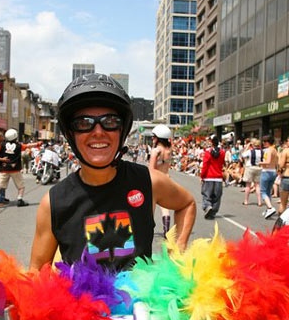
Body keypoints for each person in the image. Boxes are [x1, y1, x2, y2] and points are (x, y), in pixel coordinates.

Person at [29, 73, 196, 271]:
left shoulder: (148, 181)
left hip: (141, 302)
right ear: (70, 134)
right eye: (84, 123)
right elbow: (37, 272)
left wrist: (177, 253)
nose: (98, 132)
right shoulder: (54, 202)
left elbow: (186, 203)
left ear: (122, 130)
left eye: (110, 121)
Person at [0, 128, 35, 208]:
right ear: (15, 136)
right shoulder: (19, 145)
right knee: (21, 186)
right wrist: (38, 144)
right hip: (15, 169)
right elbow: (28, 146)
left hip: (4, 169)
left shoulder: (1, 145)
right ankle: (20, 200)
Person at [149, 124, 173, 237]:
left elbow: (151, 169)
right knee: (165, 207)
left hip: (157, 179)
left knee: (151, 205)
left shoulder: (156, 151)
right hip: (167, 179)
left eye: (153, 137)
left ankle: (147, 228)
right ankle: (167, 230)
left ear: (158, 137)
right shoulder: (169, 150)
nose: (152, 139)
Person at [200, 135, 225, 219]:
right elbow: (222, 163)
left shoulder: (207, 152)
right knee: (217, 196)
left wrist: (202, 176)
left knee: (206, 195)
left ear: (211, 142)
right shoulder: (222, 152)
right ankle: (213, 211)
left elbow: (205, 165)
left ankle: (208, 206)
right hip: (218, 177)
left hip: (209, 176)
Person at [258, 134, 279, 218]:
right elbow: (276, 162)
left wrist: (260, 163)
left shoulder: (269, 150)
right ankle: (268, 209)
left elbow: (268, 161)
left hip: (266, 171)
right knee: (268, 191)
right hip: (273, 171)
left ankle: (270, 207)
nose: (263, 143)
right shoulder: (275, 150)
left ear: (267, 142)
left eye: (264, 142)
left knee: (263, 191)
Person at [240, 138, 262, 206]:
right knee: (257, 185)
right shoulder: (262, 152)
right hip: (258, 167)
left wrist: (247, 147)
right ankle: (259, 201)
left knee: (248, 185)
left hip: (250, 167)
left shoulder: (250, 151)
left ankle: (246, 201)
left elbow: (242, 155)